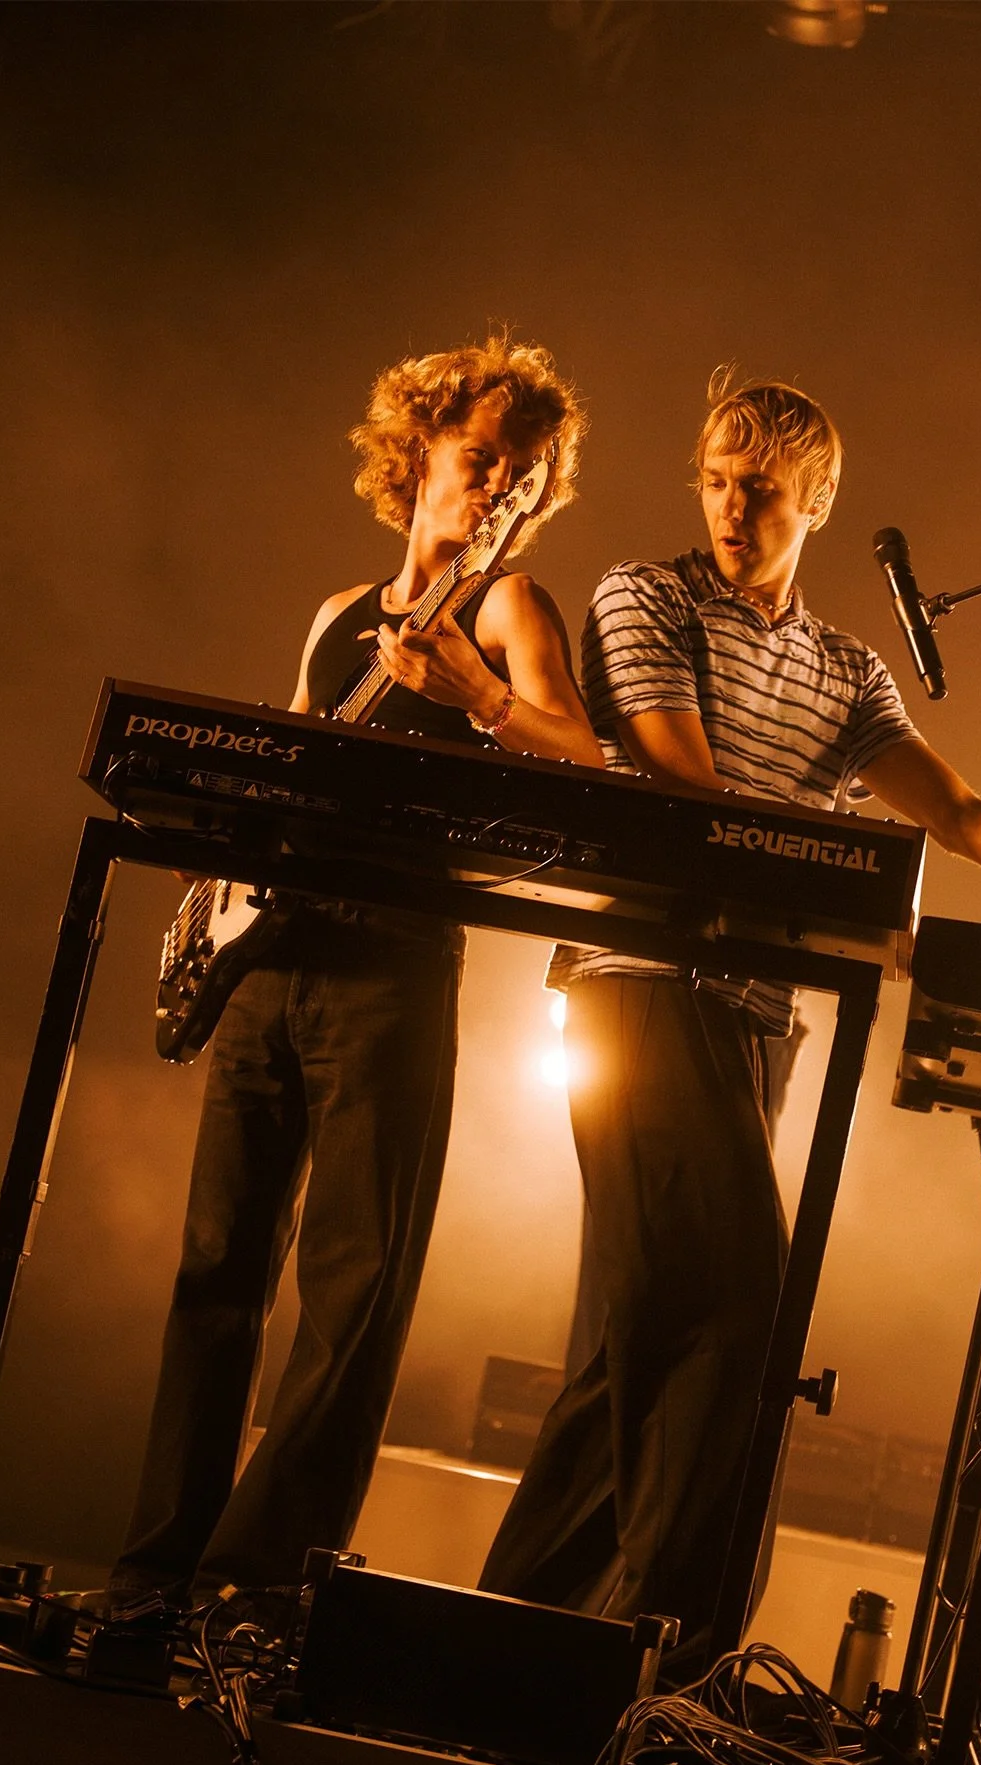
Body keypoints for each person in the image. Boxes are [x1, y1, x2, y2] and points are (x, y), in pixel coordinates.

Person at [479, 370, 981, 1674]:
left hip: (757, 1018)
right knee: (743, 1302)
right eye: (718, 479)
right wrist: (848, 886)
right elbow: (691, 786)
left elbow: (957, 815)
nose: (733, 506)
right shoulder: (649, 595)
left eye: (763, 488)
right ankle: (664, 1654)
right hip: (641, 985)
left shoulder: (847, 669)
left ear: (818, 500)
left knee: (637, 1333)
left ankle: (497, 1645)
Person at [110, 335, 601, 1613]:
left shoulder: (509, 610)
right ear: (422, 449)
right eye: (481, 458)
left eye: (522, 474)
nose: (497, 487)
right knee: (216, 1268)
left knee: (353, 1286)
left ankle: (251, 1584)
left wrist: (482, 695)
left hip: (391, 962)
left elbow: (586, 765)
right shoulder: (339, 616)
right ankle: (154, 1568)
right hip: (272, 961)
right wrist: (209, 889)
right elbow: (283, 760)